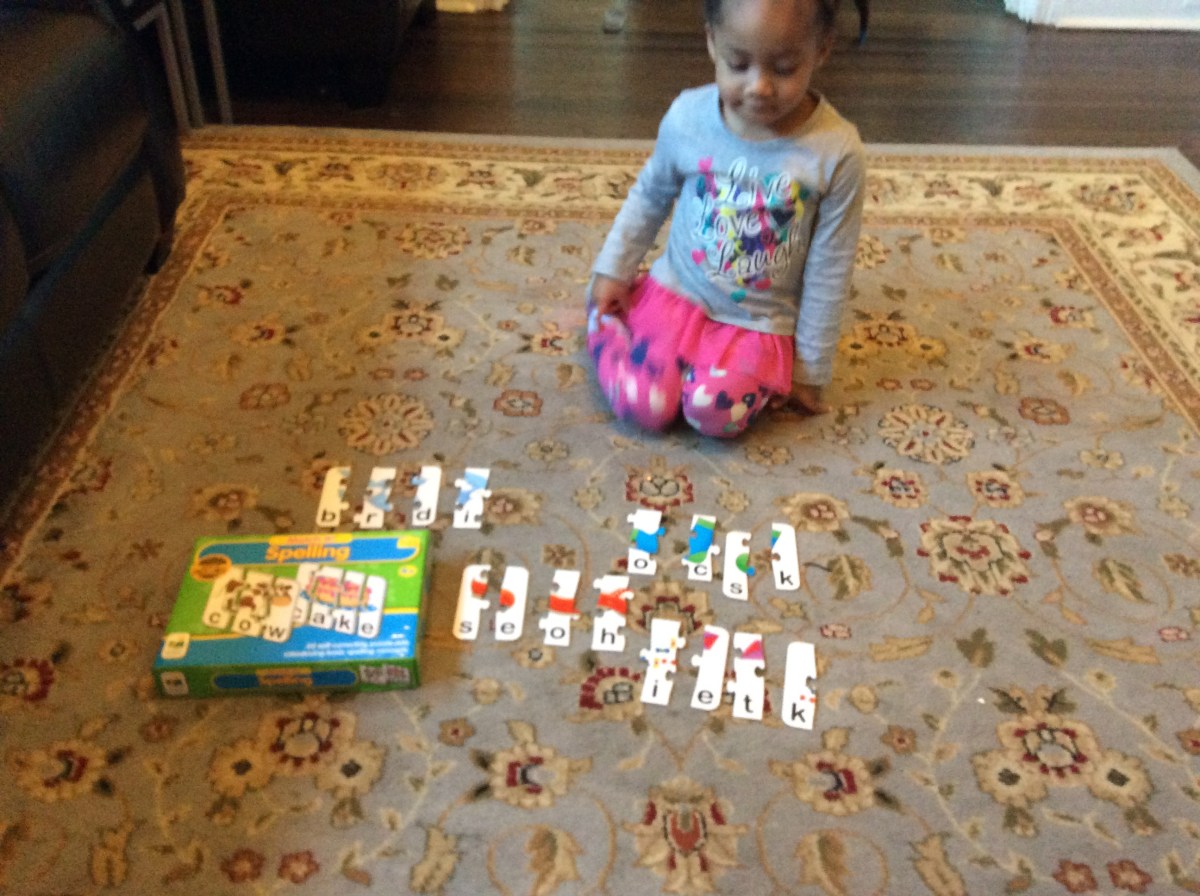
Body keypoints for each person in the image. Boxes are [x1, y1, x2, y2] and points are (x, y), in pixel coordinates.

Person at [586, 0, 865, 437]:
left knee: (715, 414)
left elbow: (830, 267)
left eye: (785, 68)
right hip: (677, 297)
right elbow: (649, 196)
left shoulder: (837, 152)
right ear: (712, 42)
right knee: (647, 406)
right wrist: (613, 270)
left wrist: (810, 368)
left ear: (822, 49)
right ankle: (603, 330)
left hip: (756, 326)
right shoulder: (687, 118)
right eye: (738, 64)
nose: (759, 87)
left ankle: (707, 378)